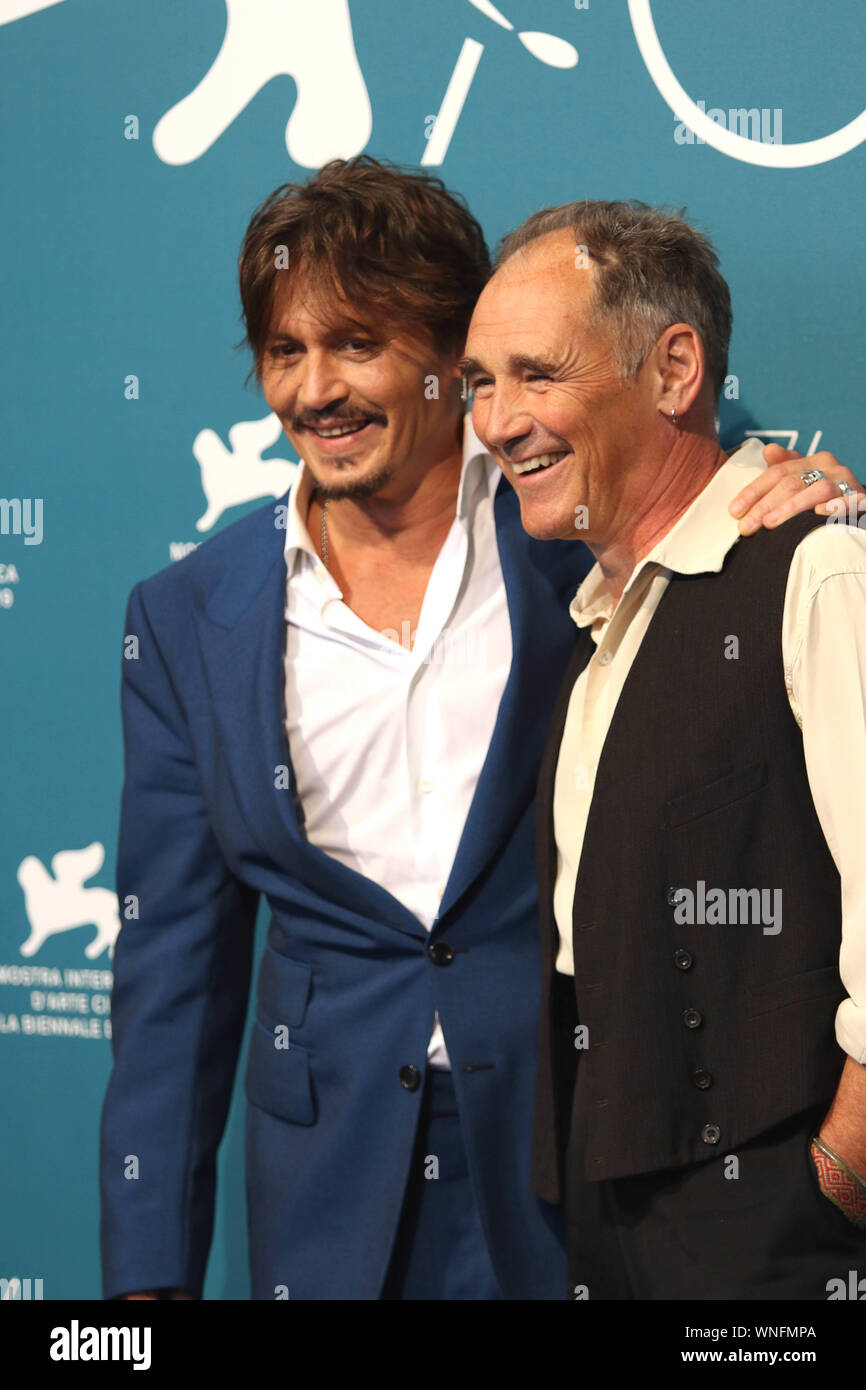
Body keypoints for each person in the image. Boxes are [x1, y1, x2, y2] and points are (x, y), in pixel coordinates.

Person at [99, 161, 859, 1301]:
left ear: (448, 361)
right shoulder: (188, 618)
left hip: (572, 1155)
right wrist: (144, 1284)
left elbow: (692, 477)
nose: (315, 391)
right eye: (283, 352)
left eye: (355, 344)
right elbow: (174, 979)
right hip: (326, 1175)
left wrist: (819, 490)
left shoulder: (577, 534)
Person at [462, 198, 866, 1299]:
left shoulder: (818, 569)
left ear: (672, 369)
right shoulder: (596, 612)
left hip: (776, 1229)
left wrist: (836, 1169)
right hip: (605, 1206)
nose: (496, 420)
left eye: (535, 373)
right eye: (479, 381)